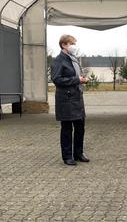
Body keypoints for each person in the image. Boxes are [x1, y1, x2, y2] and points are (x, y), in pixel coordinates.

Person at [51, 35, 89, 166]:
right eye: (72, 43)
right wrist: (77, 80)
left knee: (80, 127)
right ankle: (67, 156)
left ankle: (78, 153)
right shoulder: (59, 60)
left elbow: (75, 76)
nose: (74, 46)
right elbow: (56, 79)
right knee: (67, 129)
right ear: (64, 45)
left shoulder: (74, 59)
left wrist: (81, 78)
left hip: (77, 98)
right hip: (66, 100)